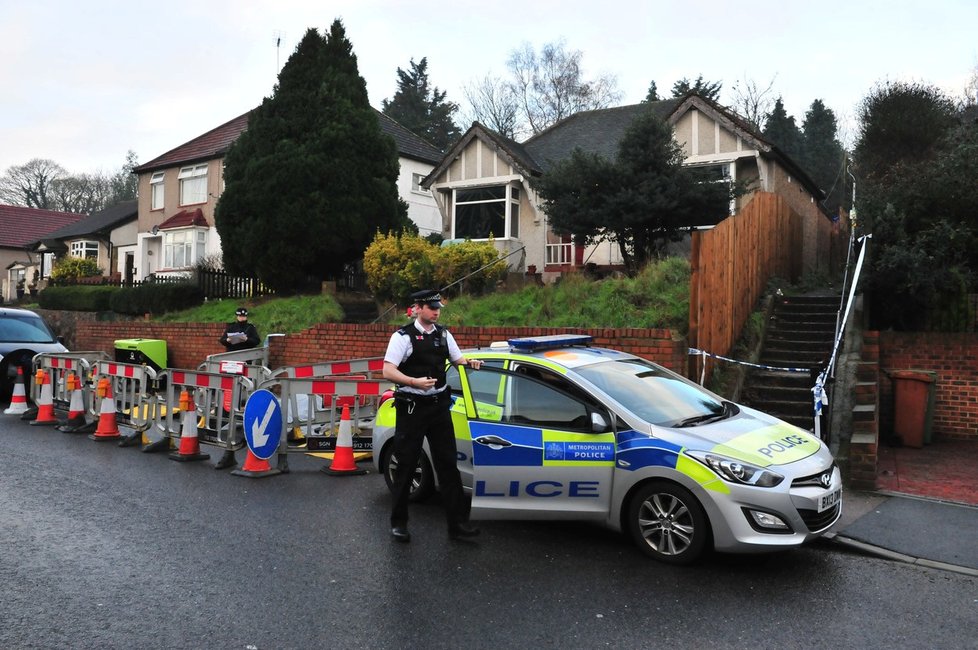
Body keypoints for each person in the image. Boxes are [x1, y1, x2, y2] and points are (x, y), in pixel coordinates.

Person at [383, 289, 483, 543]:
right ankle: (399, 523)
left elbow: (457, 358)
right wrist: (412, 381)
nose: (437, 311)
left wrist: (470, 363)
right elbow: (387, 371)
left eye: (438, 307)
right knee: (406, 465)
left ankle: (457, 525)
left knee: (448, 465)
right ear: (418, 308)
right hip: (412, 408)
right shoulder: (402, 337)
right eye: (431, 307)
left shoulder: (443, 334)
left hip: (438, 407)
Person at [215, 307, 261, 469]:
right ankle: (228, 410)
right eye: (239, 316)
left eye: (243, 316)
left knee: (244, 388)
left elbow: (257, 342)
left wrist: (246, 340)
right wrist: (228, 340)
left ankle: (241, 409)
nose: (241, 318)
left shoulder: (251, 328)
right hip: (230, 363)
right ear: (236, 316)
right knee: (229, 389)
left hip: (245, 363)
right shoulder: (231, 327)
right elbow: (222, 340)